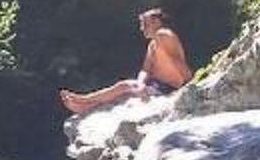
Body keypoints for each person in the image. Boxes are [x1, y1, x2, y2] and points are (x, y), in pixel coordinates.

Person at [60, 9, 192, 115]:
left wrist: (188, 84)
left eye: (145, 24)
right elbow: (145, 69)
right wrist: (140, 83)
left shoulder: (164, 34)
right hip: (155, 84)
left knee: (124, 86)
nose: (142, 28)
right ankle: (85, 105)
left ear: (156, 22)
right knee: (124, 90)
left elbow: (178, 61)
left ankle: (83, 100)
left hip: (168, 87)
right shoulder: (153, 44)